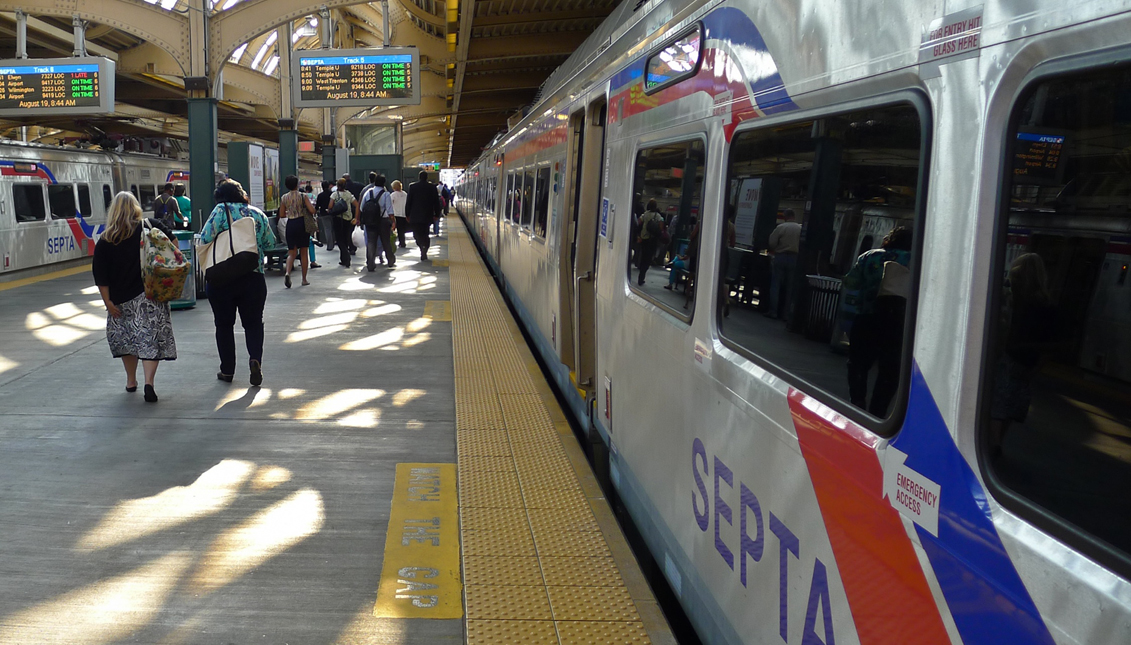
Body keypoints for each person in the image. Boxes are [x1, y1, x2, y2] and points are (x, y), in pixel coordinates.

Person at [92, 191, 177, 403]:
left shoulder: (105, 240)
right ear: (136, 208)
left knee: (127, 341)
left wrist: (108, 302)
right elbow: (173, 243)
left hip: (121, 300)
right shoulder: (150, 226)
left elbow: (100, 276)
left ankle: (131, 380)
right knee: (149, 340)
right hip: (151, 294)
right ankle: (149, 383)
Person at [199, 179, 276, 385]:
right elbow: (270, 242)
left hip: (222, 277)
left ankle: (227, 371)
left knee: (224, 325)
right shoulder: (257, 214)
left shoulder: (219, 211)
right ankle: (255, 360)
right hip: (253, 276)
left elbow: (204, 239)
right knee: (253, 324)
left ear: (220, 197)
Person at [989, 253, 1060, 459]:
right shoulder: (1048, 307)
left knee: (997, 404)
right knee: (1012, 405)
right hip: (1028, 363)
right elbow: (1052, 344)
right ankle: (998, 442)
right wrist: (1036, 368)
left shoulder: (1013, 301)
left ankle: (993, 445)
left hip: (1007, 357)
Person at [841, 226, 913, 417]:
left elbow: (851, 283)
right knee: (890, 369)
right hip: (898, 324)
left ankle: (858, 400)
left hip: (866, 318)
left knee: (858, 363)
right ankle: (878, 411)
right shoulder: (917, 261)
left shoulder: (869, 256)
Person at [279, 175, 315, 288]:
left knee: (291, 253)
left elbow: (281, 214)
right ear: (297, 184)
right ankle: (304, 279)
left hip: (291, 224)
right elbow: (312, 210)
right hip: (302, 224)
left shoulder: (284, 197)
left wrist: (290, 212)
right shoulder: (303, 196)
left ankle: (287, 273)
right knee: (304, 252)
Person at [765, 209, 802, 319]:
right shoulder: (800, 228)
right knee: (790, 286)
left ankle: (773, 311)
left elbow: (772, 243)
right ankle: (786, 314)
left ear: (786, 217)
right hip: (794, 258)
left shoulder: (781, 227)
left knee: (776, 284)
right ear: (794, 216)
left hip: (781, 257)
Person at [359, 172, 396, 270]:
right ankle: (390, 260)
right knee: (386, 241)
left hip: (370, 221)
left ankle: (370, 264)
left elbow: (362, 208)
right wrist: (393, 222)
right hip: (383, 221)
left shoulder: (368, 192)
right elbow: (390, 211)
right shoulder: (386, 194)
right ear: (384, 183)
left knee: (371, 242)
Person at [405, 170, 442, 260]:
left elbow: (408, 202)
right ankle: (424, 248)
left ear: (419, 177)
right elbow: (436, 203)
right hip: (427, 215)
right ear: (427, 178)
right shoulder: (432, 187)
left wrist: (407, 214)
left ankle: (422, 246)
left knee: (416, 234)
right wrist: (437, 214)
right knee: (425, 233)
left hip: (415, 215)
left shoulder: (412, 187)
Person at [635, 199, 665, 286]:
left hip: (644, 239)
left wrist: (639, 234)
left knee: (643, 256)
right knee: (648, 259)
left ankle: (641, 275)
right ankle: (642, 275)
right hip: (653, 240)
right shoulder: (658, 216)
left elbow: (638, 222)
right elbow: (661, 228)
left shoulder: (645, 214)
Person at [332, 178, 359, 267]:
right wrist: (356, 217)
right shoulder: (349, 194)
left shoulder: (335, 194)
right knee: (346, 238)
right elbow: (357, 204)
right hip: (348, 219)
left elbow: (330, 206)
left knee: (339, 240)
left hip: (338, 219)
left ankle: (346, 258)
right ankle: (343, 259)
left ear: (337, 185)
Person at [390, 180, 409, 248]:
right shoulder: (405, 194)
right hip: (403, 214)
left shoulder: (393, 195)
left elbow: (390, 204)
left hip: (396, 214)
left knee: (394, 229)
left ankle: (395, 242)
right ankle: (402, 242)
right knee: (402, 230)